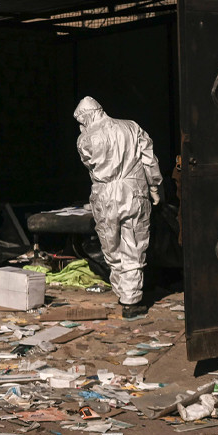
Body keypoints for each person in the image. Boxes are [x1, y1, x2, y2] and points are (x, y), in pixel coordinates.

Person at [74, 96, 162, 318]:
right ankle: (131, 299)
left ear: (87, 116)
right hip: (134, 191)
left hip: (104, 194)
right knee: (134, 243)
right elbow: (149, 160)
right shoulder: (131, 127)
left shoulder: (85, 139)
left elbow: (89, 164)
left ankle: (126, 296)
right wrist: (155, 188)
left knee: (111, 246)